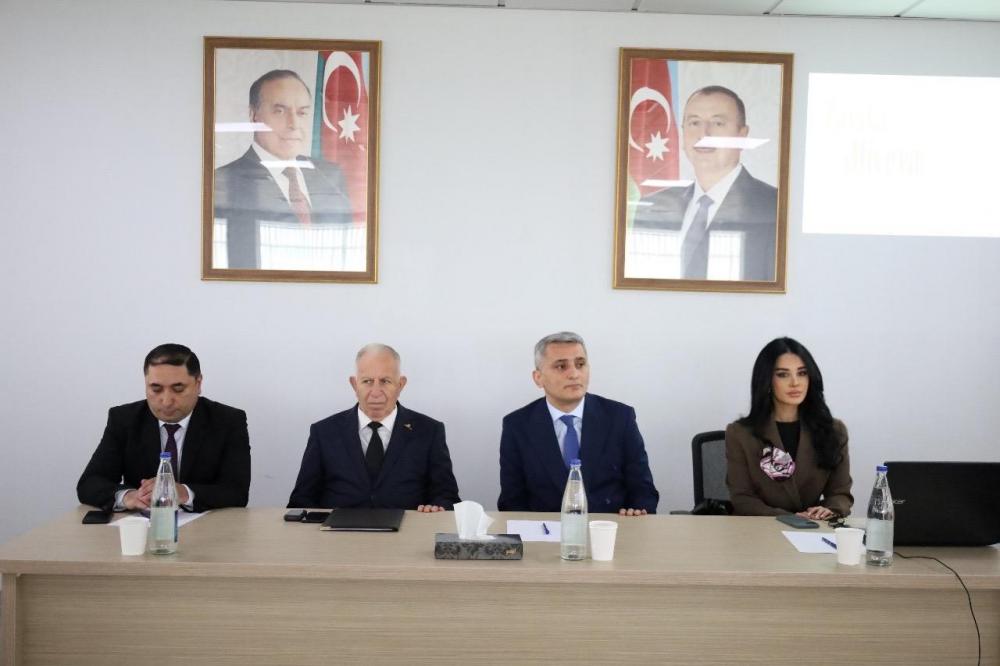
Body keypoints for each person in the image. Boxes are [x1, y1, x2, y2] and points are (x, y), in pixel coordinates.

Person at [498, 332, 659, 515]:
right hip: (546, 529)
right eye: (561, 366)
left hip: (609, 526)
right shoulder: (517, 426)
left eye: (580, 364)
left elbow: (643, 490)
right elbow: (512, 502)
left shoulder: (620, 418)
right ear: (538, 378)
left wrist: (636, 514)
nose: (574, 374)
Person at [77, 344, 251, 513]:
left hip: (207, 527)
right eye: (156, 389)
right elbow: (89, 483)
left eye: (178, 389)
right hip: (144, 525)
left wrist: (184, 493)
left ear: (198, 384)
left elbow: (237, 492)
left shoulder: (228, 421)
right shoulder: (124, 420)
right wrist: (128, 497)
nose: (166, 401)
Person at [287, 343, 460, 511]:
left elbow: (447, 497)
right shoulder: (324, 432)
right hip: (338, 530)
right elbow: (300, 501)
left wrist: (437, 508)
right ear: (354, 384)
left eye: (385, 381)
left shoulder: (429, 431)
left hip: (407, 529)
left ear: (400, 385)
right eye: (367, 381)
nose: (376, 392)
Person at [633, 85, 777, 281]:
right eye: (694, 123)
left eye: (718, 123)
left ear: (742, 136)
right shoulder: (651, 206)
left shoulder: (776, 206)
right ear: (683, 134)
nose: (704, 134)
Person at [214, 69, 353, 270]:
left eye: (302, 112)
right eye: (279, 111)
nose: (294, 124)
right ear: (253, 116)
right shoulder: (221, 182)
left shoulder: (331, 175)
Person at [725, 337, 852, 518]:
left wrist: (830, 509)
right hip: (761, 528)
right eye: (783, 374)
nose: (795, 382)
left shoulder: (835, 431)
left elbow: (840, 493)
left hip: (814, 527)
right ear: (767, 380)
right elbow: (742, 499)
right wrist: (789, 519)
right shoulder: (740, 434)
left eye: (802, 373)